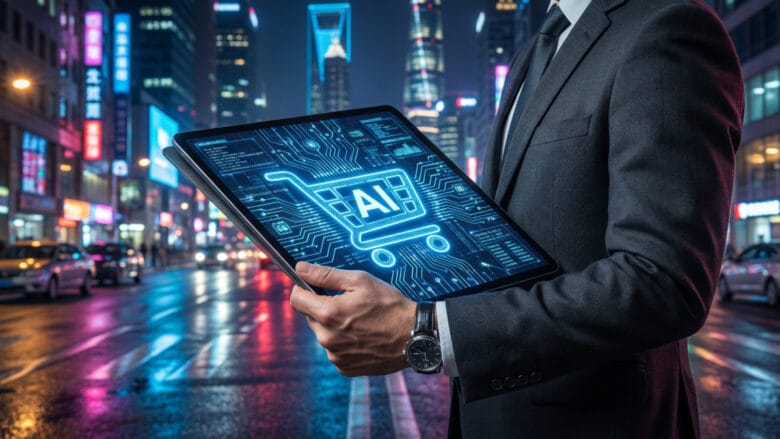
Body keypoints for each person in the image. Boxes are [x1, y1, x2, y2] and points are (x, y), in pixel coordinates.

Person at [289, 1, 743, 437]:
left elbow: (662, 281)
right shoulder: (536, 48)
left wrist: (427, 330)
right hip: (491, 416)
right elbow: (509, 242)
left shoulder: (669, 26)